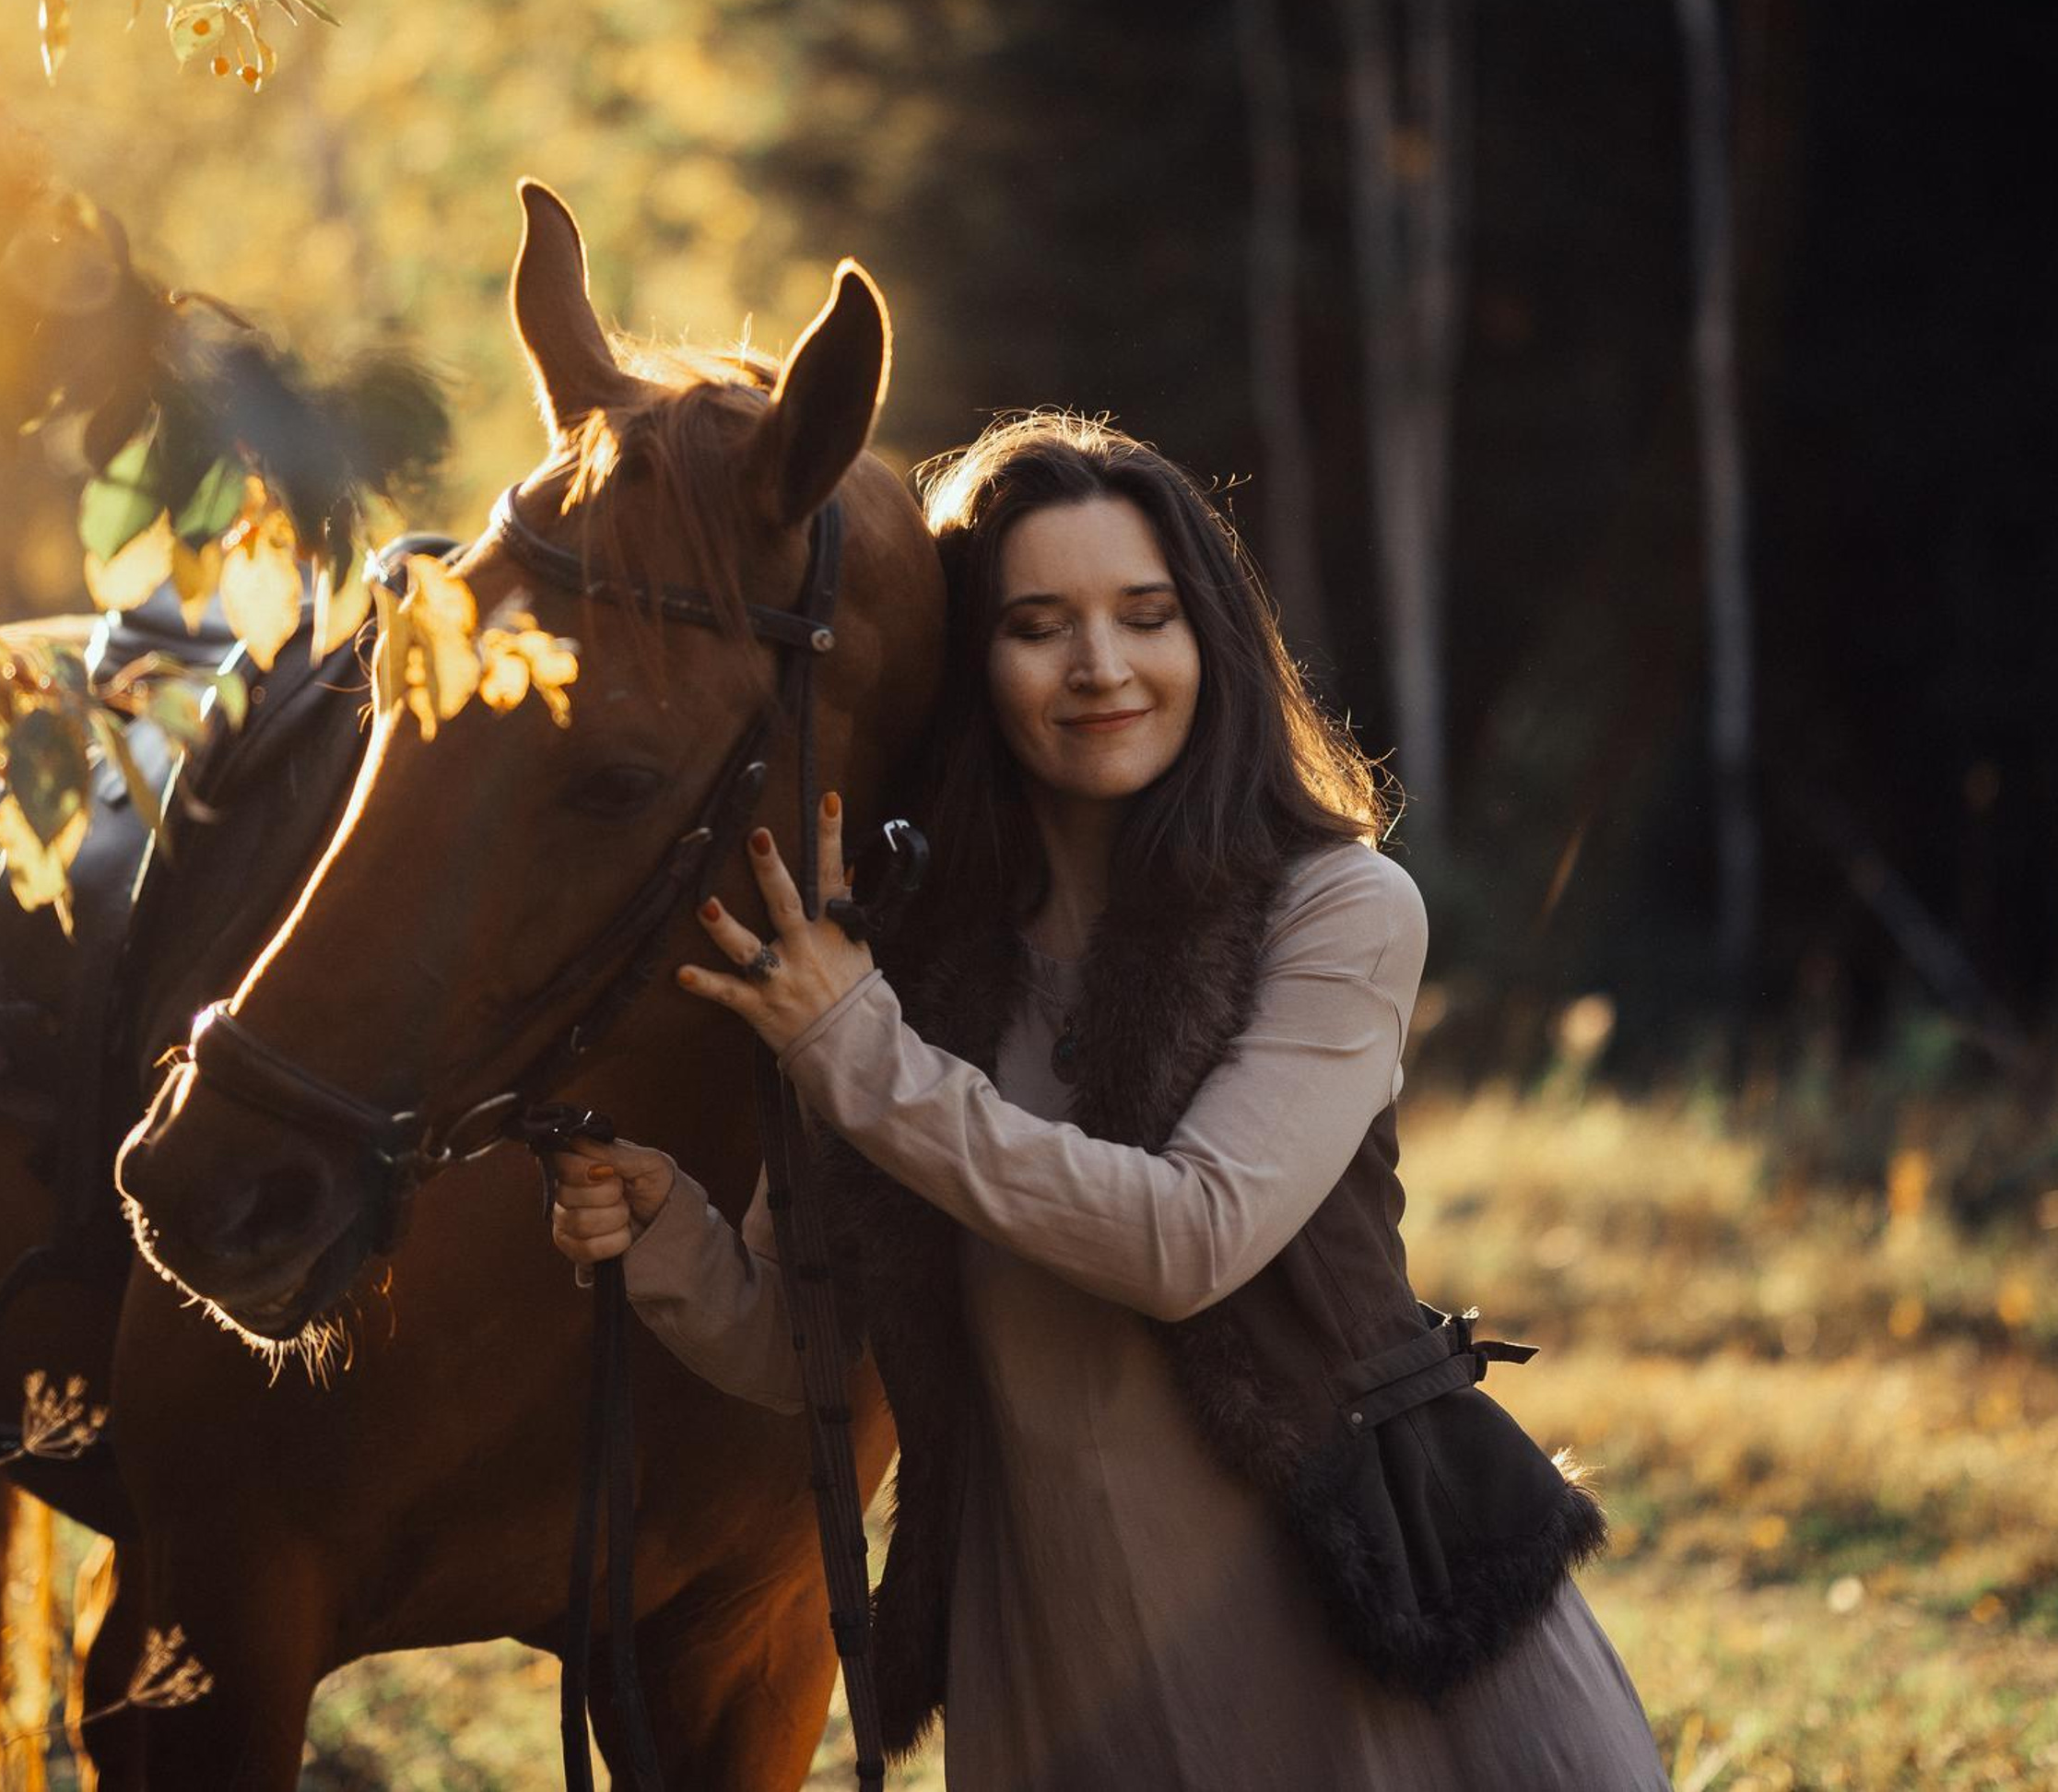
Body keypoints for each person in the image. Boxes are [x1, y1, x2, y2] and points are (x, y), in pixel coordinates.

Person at [549, 413, 1668, 1790]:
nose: (1102, 668)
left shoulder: (1336, 910)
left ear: (1209, 639)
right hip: (1060, 1644)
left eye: (1147, 615)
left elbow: (1187, 1240)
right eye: (1037, 626)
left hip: (1349, 1607)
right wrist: (665, 1230)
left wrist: (857, 1050)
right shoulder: (898, 971)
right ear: (977, 665)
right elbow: (810, 1347)